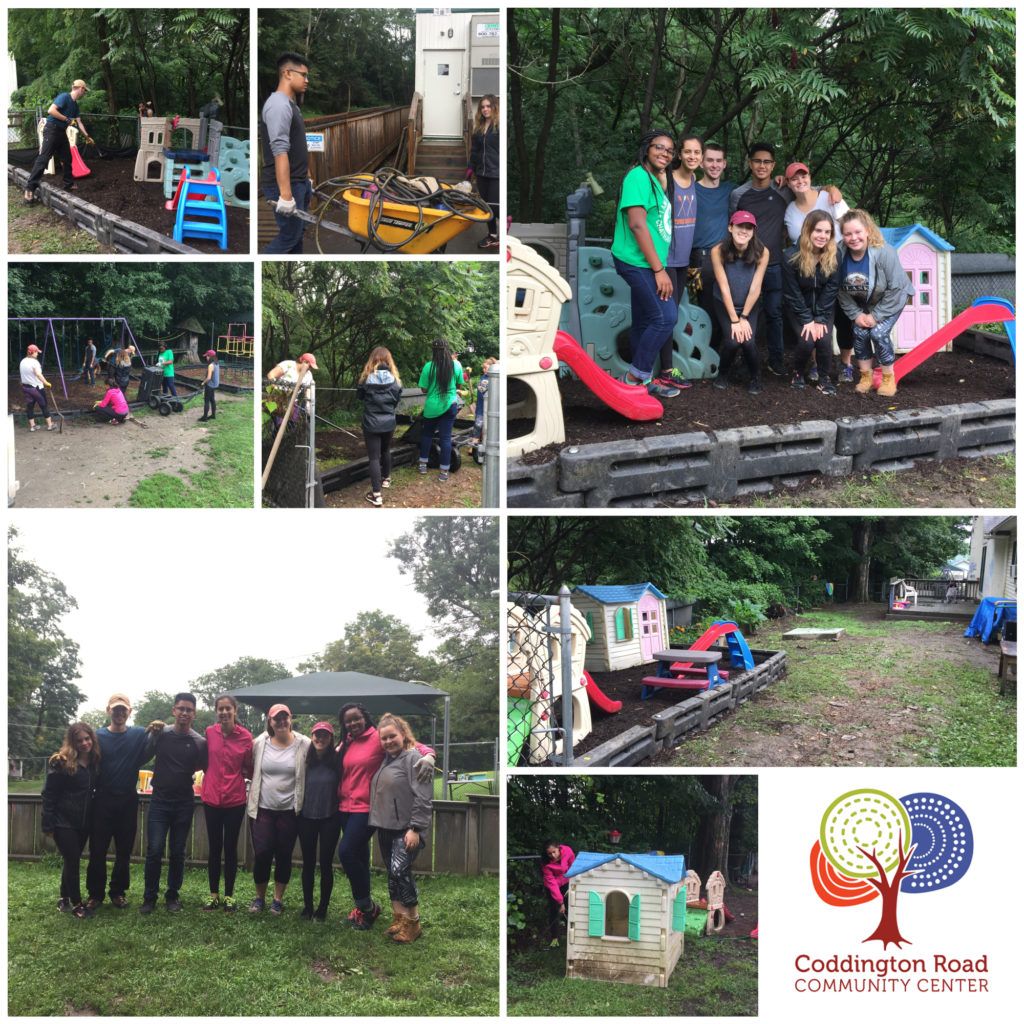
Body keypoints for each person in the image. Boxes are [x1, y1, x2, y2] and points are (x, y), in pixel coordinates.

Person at [335, 702, 434, 931]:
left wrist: (429, 755)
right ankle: (369, 912)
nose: (352, 723)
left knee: (346, 851)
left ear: (365, 717)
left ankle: (368, 906)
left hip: (366, 809)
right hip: (346, 809)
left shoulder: (378, 739)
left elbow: (415, 747)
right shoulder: (347, 742)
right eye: (347, 721)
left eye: (356, 718)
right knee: (360, 858)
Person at [609, 129, 681, 398]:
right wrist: (659, 270)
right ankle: (633, 377)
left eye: (669, 150)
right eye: (659, 147)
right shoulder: (638, 176)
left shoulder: (653, 179)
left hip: (647, 263)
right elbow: (638, 225)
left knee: (644, 321)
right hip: (637, 262)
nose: (665, 153)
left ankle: (643, 379)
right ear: (646, 149)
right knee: (665, 318)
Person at [368, 713, 433, 943]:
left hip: (406, 828)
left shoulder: (413, 758)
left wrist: (415, 828)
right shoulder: (387, 760)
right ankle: (399, 918)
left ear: (403, 734)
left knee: (400, 872)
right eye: (383, 738)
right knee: (392, 875)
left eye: (392, 736)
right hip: (385, 827)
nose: (388, 741)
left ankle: (413, 922)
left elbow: (423, 797)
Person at [837, 208, 915, 398]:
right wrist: (856, 315)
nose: (853, 238)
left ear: (867, 231)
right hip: (863, 304)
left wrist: (876, 316)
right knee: (859, 332)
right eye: (848, 234)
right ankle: (866, 376)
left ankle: (888, 376)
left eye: (857, 232)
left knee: (878, 333)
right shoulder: (839, 253)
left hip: (891, 299)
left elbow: (896, 289)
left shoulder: (884, 252)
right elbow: (839, 289)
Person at [140, 693, 206, 915]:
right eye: (181, 708)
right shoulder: (162, 733)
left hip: (184, 803)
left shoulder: (198, 741)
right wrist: (152, 736)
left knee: (178, 851)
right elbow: (145, 755)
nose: (184, 713)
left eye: (189, 710)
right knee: (154, 849)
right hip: (159, 800)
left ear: (194, 713)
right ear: (173, 710)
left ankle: (172, 895)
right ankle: (149, 897)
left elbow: (206, 767)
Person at [85, 694, 151, 909]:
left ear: (129, 712)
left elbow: (159, 739)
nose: (120, 713)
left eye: (123, 710)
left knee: (124, 850)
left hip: (128, 800)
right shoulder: (96, 736)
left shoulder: (139, 734)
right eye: (116, 709)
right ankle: (95, 894)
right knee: (97, 850)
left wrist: (159, 728)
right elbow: (79, 751)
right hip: (102, 798)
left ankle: (118, 892)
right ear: (108, 711)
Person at [246, 704, 310, 914]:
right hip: (262, 808)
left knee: (284, 854)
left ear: (291, 719)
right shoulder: (259, 743)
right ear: (270, 722)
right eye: (276, 719)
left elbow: (326, 754)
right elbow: (249, 765)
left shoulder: (304, 744)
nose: (281, 722)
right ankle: (259, 897)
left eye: (285, 718)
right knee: (262, 854)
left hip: (289, 810)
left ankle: (278, 899)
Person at [656, 134, 702, 390]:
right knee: (666, 316)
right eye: (688, 152)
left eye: (697, 153)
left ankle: (662, 369)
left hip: (684, 260)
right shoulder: (666, 179)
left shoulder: (696, 180)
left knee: (669, 317)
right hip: (666, 260)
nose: (692, 157)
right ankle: (663, 371)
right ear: (679, 155)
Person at [42, 722, 101, 919]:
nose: (85, 743)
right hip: (63, 821)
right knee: (73, 861)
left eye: (87, 738)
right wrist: (48, 824)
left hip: (83, 823)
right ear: (72, 743)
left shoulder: (93, 763)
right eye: (80, 740)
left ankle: (63, 899)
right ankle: (77, 904)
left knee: (70, 861)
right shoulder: (62, 763)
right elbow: (49, 794)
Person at [201, 694, 253, 913]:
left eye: (227, 709)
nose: (223, 712)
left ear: (235, 711)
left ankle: (229, 896)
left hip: (234, 800)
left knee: (230, 848)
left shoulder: (245, 737)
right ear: (216, 711)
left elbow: (249, 767)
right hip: (211, 798)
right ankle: (213, 895)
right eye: (220, 709)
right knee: (214, 848)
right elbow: (205, 761)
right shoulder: (209, 733)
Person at [782, 210, 841, 396]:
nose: (822, 236)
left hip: (825, 307)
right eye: (818, 230)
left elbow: (832, 288)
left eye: (827, 232)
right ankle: (798, 373)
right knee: (807, 341)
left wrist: (820, 318)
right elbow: (792, 292)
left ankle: (824, 379)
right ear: (808, 230)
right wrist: (808, 319)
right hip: (799, 307)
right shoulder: (791, 255)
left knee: (823, 339)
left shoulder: (835, 254)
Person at [710, 211, 769, 394]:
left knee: (749, 342)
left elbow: (756, 287)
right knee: (733, 341)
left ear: (753, 232)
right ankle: (723, 373)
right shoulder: (717, 251)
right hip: (724, 303)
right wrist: (735, 320)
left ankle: (756, 377)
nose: (743, 231)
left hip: (748, 305)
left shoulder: (762, 252)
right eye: (739, 226)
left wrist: (744, 316)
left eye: (748, 228)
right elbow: (724, 287)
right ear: (730, 228)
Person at [259, 53, 312, 254]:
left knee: (297, 235)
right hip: (285, 185)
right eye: (304, 75)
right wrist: (286, 195)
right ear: (288, 73)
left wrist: (307, 178)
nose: (307, 81)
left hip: (299, 182)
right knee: (289, 236)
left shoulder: (292, 106)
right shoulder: (278, 105)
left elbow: (298, 145)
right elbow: (280, 150)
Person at [690, 142, 738, 350]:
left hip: (728, 257)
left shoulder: (732, 190)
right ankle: (706, 355)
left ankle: (720, 358)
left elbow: (762, 189)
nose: (714, 164)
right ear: (701, 162)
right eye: (710, 160)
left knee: (728, 309)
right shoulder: (689, 188)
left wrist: (826, 189)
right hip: (700, 258)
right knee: (707, 310)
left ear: (725, 163)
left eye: (719, 160)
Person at [297, 722, 343, 921]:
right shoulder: (305, 761)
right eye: (317, 735)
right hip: (306, 817)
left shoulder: (338, 761)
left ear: (331, 739)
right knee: (307, 863)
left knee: (325, 864)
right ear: (312, 736)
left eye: (325, 735)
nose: (320, 739)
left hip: (330, 818)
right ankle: (308, 907)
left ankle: (322, 908)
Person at [23, 79, 93, 202]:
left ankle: (68, 184)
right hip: (52, 130)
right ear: (81, 89)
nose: (84, 93)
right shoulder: (64, 97)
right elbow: (51, 111)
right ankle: (29, 188)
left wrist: (87, 136)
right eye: (84, 91)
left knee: (67, 158)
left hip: (61, 132)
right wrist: (66, 119)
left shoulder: (75, 105)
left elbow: (78, 122)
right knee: (44, 158)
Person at [356, 346, 403, 507]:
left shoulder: (366, 379)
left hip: (371, 423)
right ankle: (386, 479)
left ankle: (376, 495)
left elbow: (359, 396)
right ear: (389, 361)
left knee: (374, 457)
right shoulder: (395, 381)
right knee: (385, 450)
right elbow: (397, 400)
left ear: (372, 360)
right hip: (389, 422)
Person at [416, 338, 463, 482]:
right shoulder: (455, 366)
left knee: (427, 435)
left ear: (433, 351)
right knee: (446, 438)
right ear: (448, 349)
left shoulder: (428, 367)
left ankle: (423, 465)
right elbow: (459, 386)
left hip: (432, 406)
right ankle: (444, 471)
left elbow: (423, 389)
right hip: (450, 405)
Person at [469, 94, 499, 249]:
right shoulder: (479, 127)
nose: (485, 109)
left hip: (496, 173)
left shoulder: (499, 126)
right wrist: (471, 168)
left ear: (494, 106)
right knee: (487, 207)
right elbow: (475, 150)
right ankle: (492, 236)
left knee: (495, 206)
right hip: (481, 173)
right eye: (482, 107)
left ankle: (506, 228)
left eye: (488, 106)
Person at [541, 839, 575, 948]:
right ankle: (555, 939)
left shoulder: (568, 851)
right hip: (552, 886)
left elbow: (573, 865)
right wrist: (560, 903)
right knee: (554, 910)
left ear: (559, 848)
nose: (553, 855)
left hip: (566, 882)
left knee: (569, 907)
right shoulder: (546, 864)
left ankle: (572, 934)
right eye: (549, 853)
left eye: (554, 852)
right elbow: (552, 885)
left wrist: (572, 879)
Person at [19, 343, 55, 432]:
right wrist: (46, 382)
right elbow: (38, 374)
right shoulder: (34, 362)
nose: (37, 354)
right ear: (32, 352)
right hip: (36, 388)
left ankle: (33, 426)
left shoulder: (22, 361)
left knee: (30, 406)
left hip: (26, 388)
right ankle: (50, 425)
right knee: (44, 405)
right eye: (36, 352)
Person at [471, 356, 497, 444]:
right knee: (478, 427)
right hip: (480, 407)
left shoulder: (492, 378)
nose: (484, 370)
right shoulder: (484, 377)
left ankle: (476, 445)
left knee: (479, 427)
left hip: (486, 408)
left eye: (485, 368)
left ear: (492, 367)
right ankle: (473, 446)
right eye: (483, 368)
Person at [198, 349, 220, 423]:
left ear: (209, 356)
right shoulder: (216, 363)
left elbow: (208, 378)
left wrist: (203, 383)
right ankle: (213, 415)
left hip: (210, 385)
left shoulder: (210, 365)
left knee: (206, 401)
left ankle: (204, 417)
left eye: (207, 356)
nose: (206, 358)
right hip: (215, 384)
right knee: (212, 400)